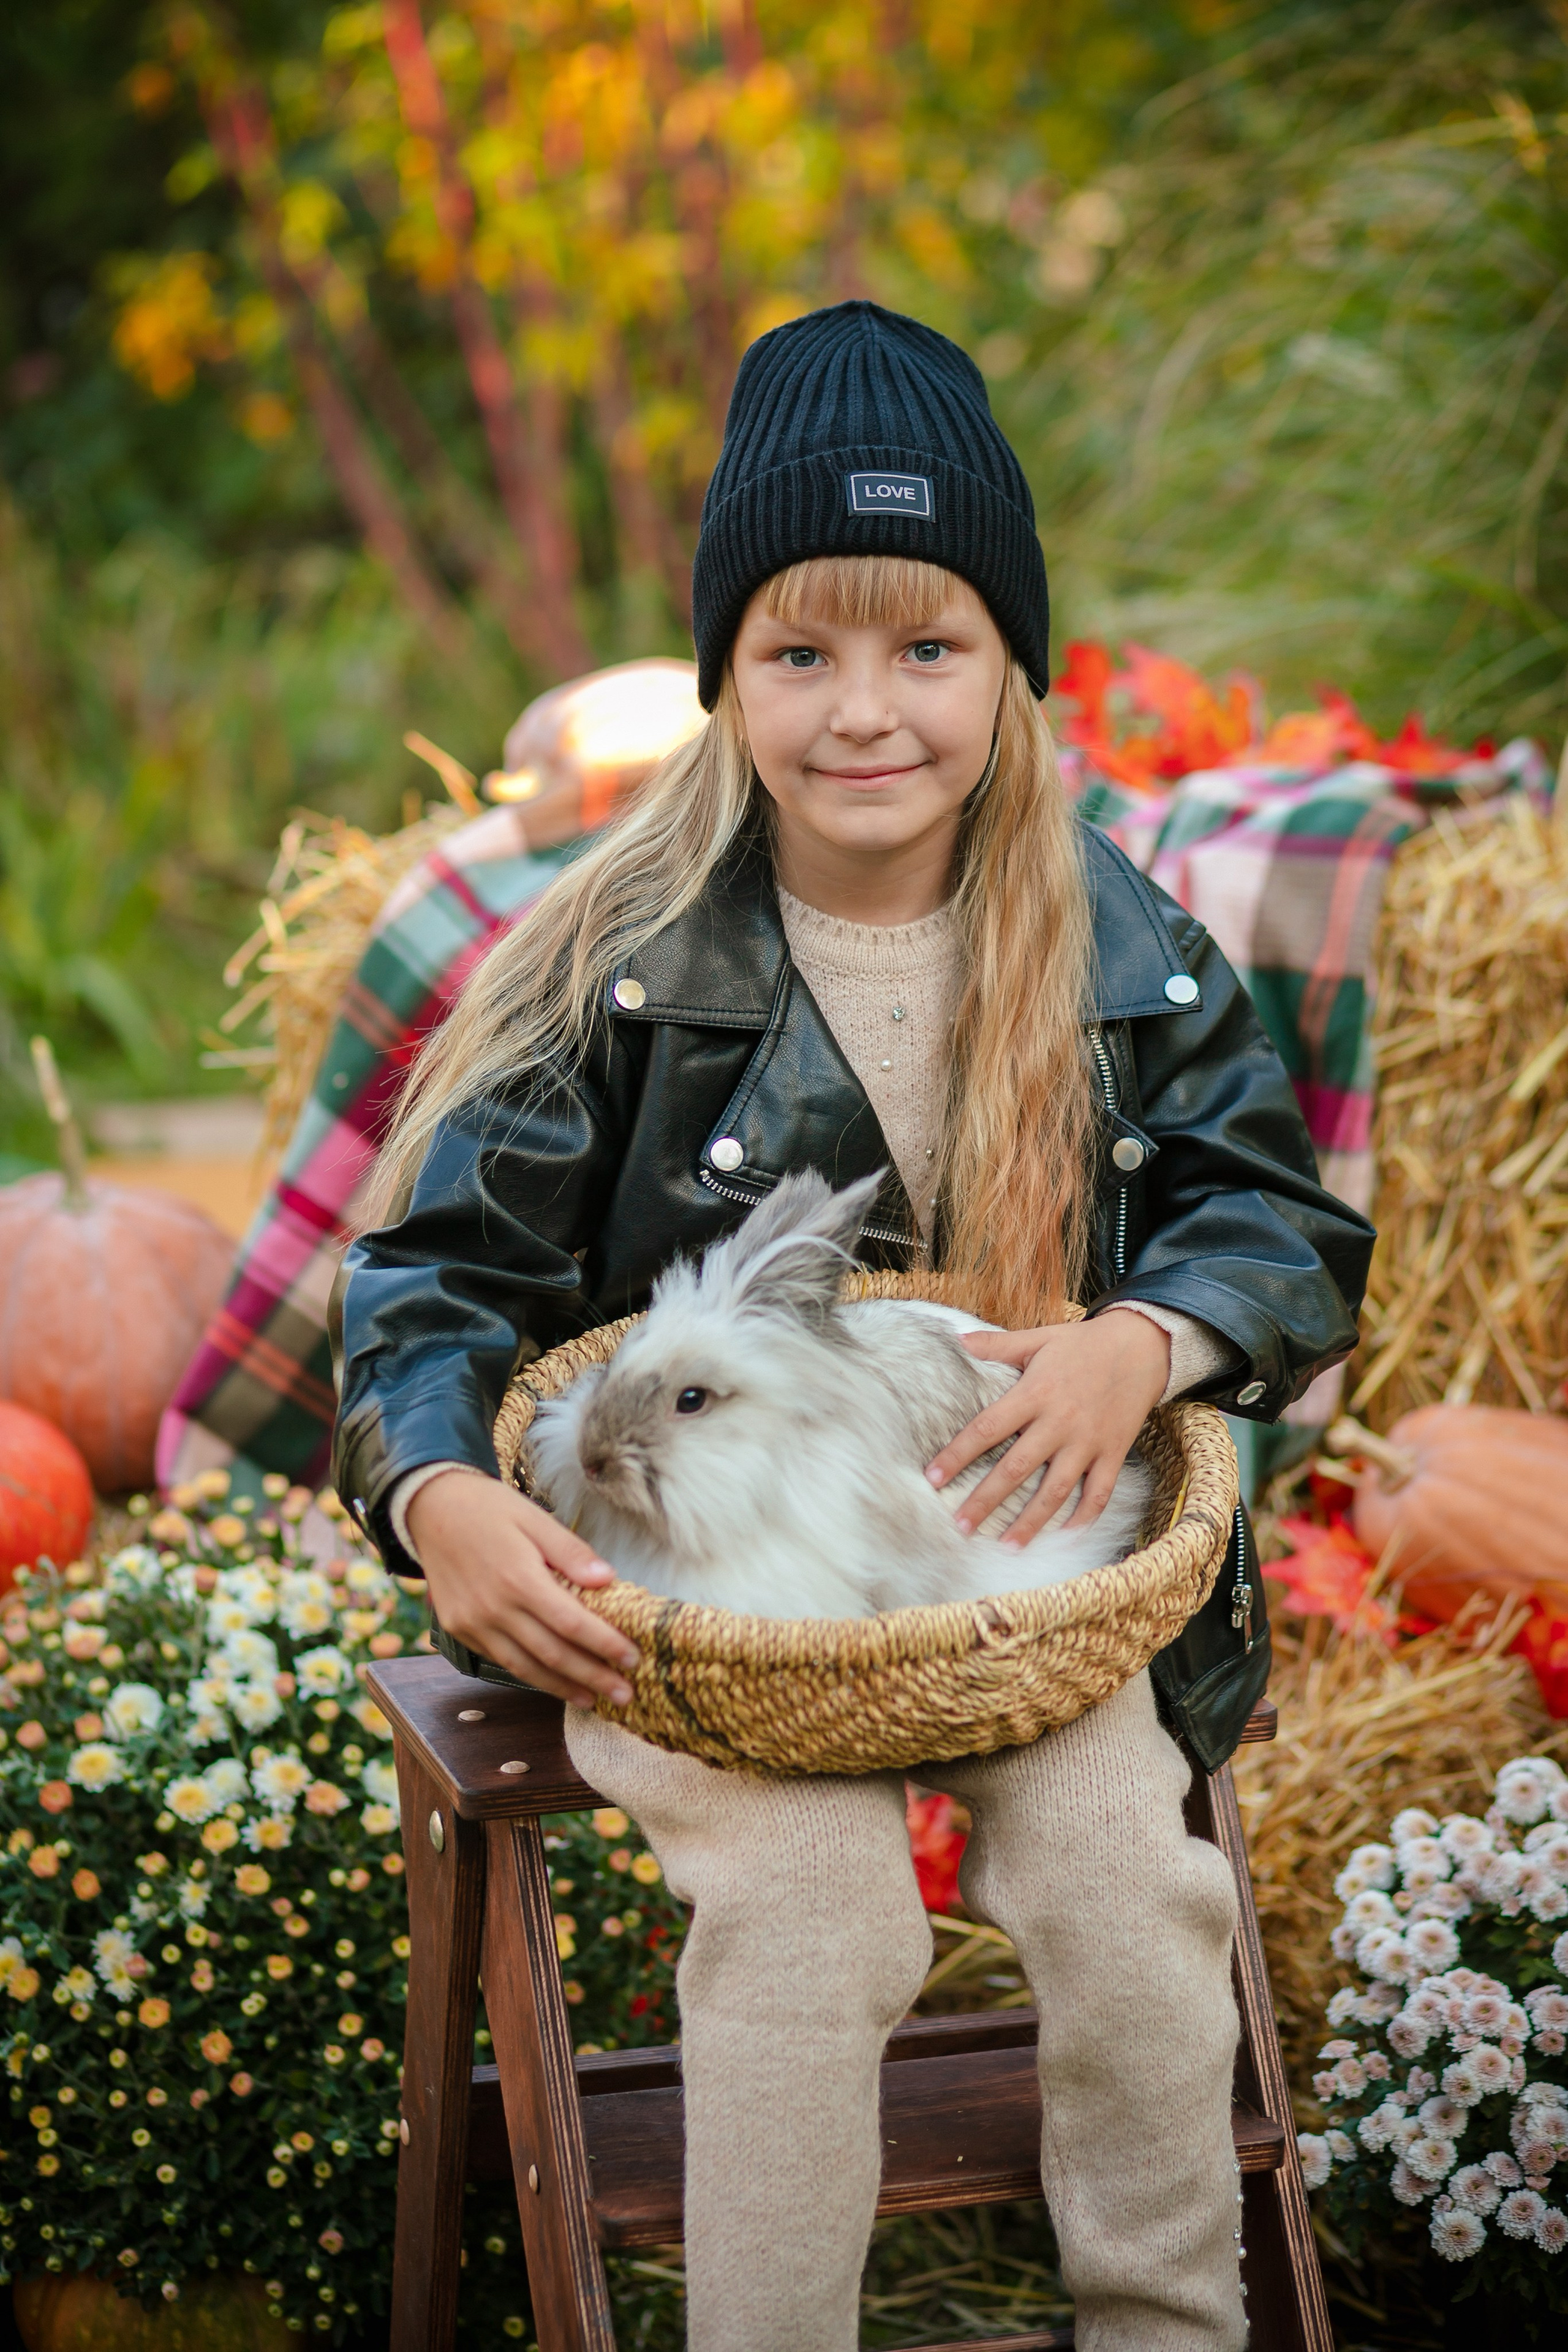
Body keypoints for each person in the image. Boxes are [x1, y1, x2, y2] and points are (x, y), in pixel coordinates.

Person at [333, 301, 1373, 2351]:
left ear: (1012, 670)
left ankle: (1170, 2325)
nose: (863, 712)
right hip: (715, 1600)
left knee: (1129, 1888)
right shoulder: (621, 963)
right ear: (723, 675)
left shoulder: (1114, 934)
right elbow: (430, 1276)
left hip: (997, 1566)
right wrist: (441, 1492)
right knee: (812, 1921)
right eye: (800, 653)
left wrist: (1146, 1343)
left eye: (930, 648)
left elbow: (1271, 1215)